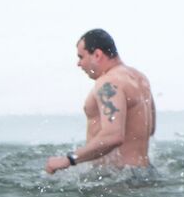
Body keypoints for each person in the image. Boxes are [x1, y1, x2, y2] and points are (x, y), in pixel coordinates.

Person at [45, 28, 157, 173]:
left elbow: (113, 136)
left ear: (97, 55)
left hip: (118, 180)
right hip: (144, 173)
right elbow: (150, 128)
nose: (79, 64)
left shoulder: (108, 83)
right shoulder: (140, 78)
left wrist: (68, 159)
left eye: (81, 57)